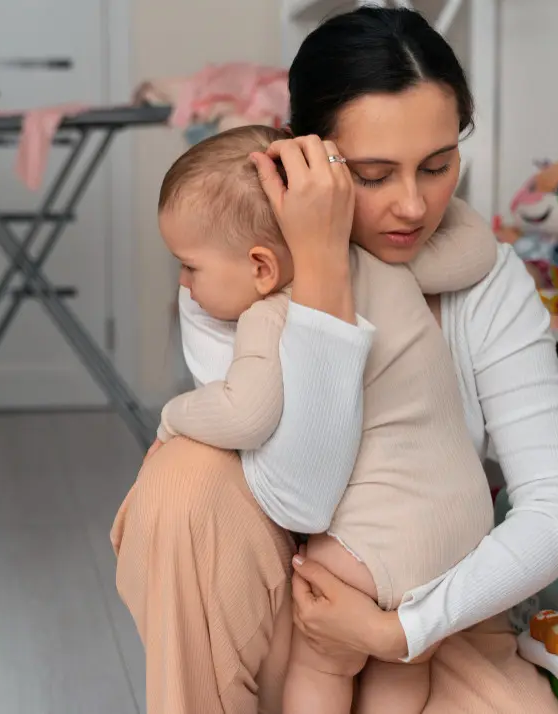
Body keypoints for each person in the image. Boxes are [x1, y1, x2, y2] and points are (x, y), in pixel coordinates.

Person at [112, 7, 558, 714]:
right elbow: (299, 498)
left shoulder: (483, 278)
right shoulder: (237, 274)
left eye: (438, 166)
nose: (412, 205)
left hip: (433, 601)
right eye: (374, 174)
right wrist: (319, 279)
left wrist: (402, 629)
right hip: (288, 596)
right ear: (303, 157)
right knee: (184, 477)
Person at [149, 124, 499, 713]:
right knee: (401, 663)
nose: (183, 284)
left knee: (322, 660)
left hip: (376, 540)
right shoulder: (385, 260)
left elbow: (246, 413)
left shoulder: (270, 315)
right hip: (465, 521)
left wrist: (171, 417)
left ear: (262, 268)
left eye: (189, 267)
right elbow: (477, 248)